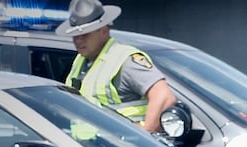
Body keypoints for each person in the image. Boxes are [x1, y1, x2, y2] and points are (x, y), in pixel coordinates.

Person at [56, 0, 178, 134]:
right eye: (75, 36)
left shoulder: (124, 59)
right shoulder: (80, 61)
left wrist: (146, 131)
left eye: (85, 34)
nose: (78, 40)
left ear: (103, 31)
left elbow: (164, 96)